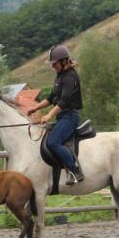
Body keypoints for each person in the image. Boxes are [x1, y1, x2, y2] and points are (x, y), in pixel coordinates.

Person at [26, 44, 85, 185]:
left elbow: (64, 101)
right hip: (62, 116)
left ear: (64, 61)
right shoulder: (60, 76)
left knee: (53, 142)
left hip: (70, 116)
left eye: (55, 63)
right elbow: (51, 98)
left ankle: (74, 169)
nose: (53, 66)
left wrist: (49, 115)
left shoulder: (71, 77)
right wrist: (35, 108)